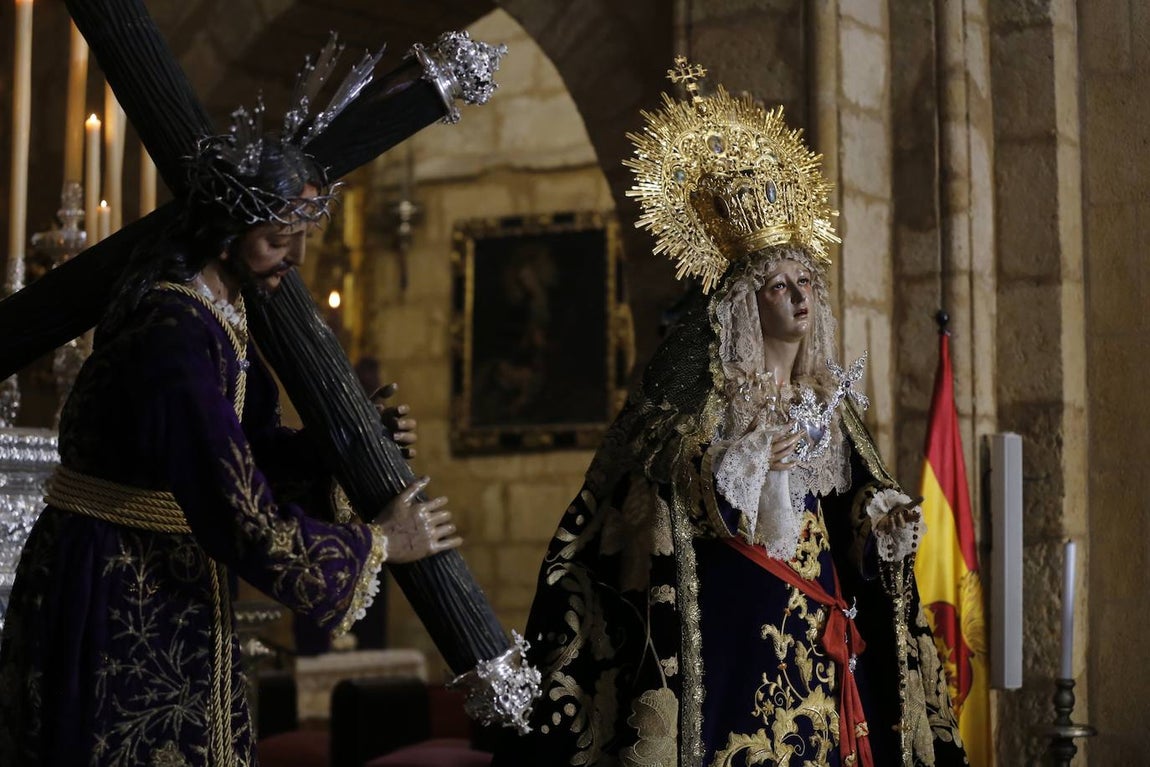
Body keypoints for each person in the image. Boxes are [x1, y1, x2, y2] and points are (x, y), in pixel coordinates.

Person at [493, 59, 967, 767]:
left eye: (807, 280)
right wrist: (732, 468)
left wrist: (880, 521)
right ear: (748, 300)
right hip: (733, 632)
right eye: (779, 285)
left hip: (824, 629)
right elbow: (651, 504)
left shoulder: (826, 403)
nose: (799, 297)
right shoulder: (702, 396)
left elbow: (842, 512)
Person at [0, 47, 460, 766]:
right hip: (118, 586)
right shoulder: (173, 332)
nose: (296, 256)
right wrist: (380, 544)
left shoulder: (218, 314)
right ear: (225, 231)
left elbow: (246, 447)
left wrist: (338, 446)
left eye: (302, 235)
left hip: (162, 575)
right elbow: (236, 507)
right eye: (279, 238)